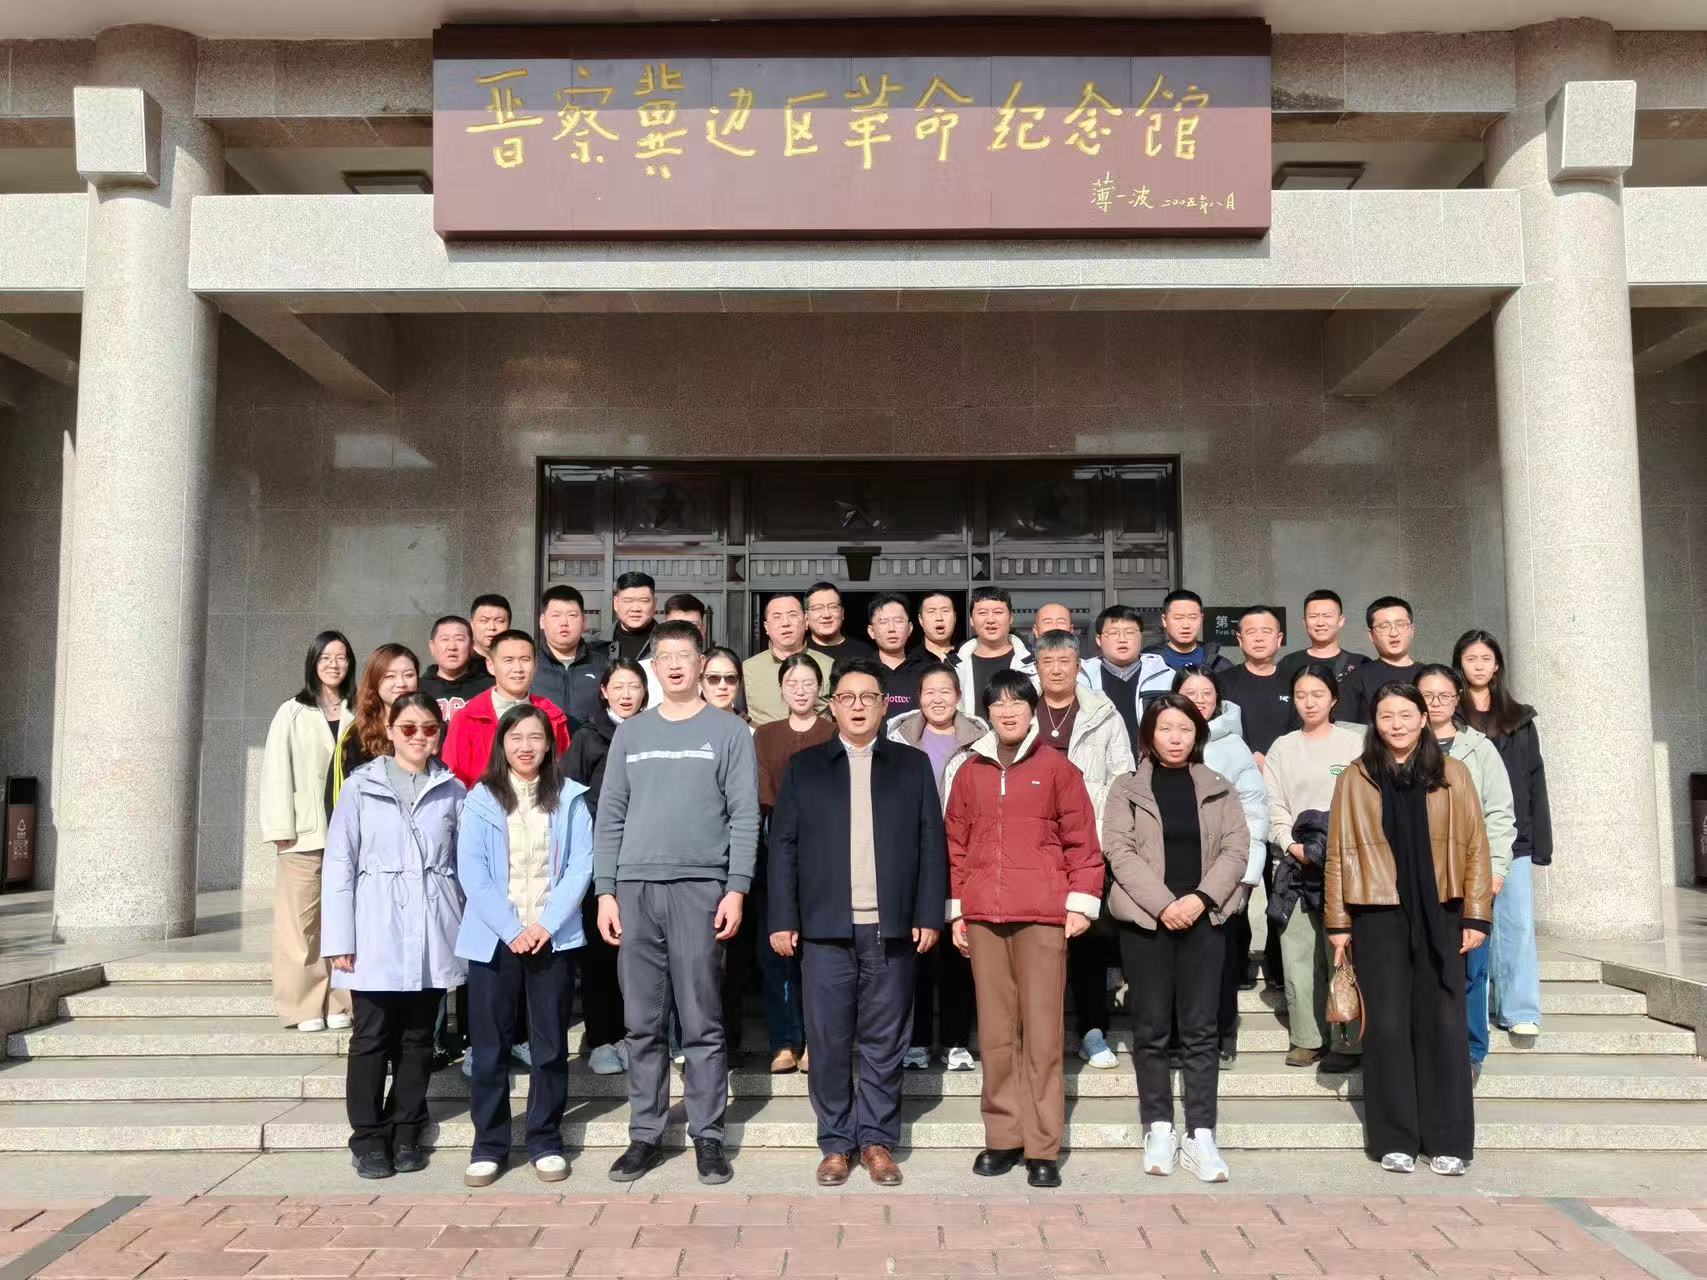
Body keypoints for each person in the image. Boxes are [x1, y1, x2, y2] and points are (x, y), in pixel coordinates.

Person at [593, 619, 760, 1186]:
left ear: (700, 663)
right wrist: (606, 891)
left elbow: (744, 815)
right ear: (654, 666)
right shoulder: (632, 733)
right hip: (635, 889)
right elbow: (610, 816)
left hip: (700, 888)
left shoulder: (729, 731)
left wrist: (736, 887)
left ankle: (707, 1135)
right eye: (663, 656)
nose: (672, 665)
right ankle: (645, 1133)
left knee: (702, 1021)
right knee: (641, 1023)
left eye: (683, 655)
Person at [769, 658, 947, 1188]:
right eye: (846, 697)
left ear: (884, 704)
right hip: (825, 929)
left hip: (891, 929)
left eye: (868, 697)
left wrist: (928, 912)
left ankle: (876, 1141)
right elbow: (783, 848)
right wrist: (783, 917)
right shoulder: (805, 767)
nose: (858, 706)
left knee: (885, 1041)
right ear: (833, 705)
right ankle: (835, 1142)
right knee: (827, 1041)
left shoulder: (911, 765)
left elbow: (931, 844)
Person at [1326, 682, 1492, 1176]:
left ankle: (1447, 1139)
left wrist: (1476, 914)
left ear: (1424, 718)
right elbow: (1338, 852)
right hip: (1377, 912)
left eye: (1405, 714)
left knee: (1443, 1024)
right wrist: (1338, 922)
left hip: (1442, 908)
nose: (1395, 724)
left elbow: (1476, 846)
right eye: (1386, 716)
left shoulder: (1453, 773)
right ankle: (1395, 1138)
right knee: (1389, 1026)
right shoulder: (1356, 777)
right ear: (1374, 723)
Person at [945, 670, 1102, 1189]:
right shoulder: (969, 771)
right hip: (984, 918)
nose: (1008, 711)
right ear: (986, 712)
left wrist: (1081, 903)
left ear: (1033, 709)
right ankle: (1003, 1137)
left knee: (1042, 1034)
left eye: (1017, 702)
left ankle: (1042, 1145)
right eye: (998, 704)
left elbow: (1082, 842)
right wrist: (957, 911)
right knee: (995, 1035)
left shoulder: (1057, 768)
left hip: (1041, 916)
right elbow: (955, 846)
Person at [1102, 693, 1252, 1184]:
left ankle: (1201, 1133)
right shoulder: (1127, 788)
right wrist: (1165, 905)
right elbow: (1118, 851)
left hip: (1204, 920)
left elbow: (1237, 848)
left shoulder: (1218, 786)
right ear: (1149, 734)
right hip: (1148, 922)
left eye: (1185, 729)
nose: (1175, 738)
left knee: (1201, 1029)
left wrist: (1201, 899)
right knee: (1150, 1028)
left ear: (1198, 735)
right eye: (1165, 728)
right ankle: (1159, 1127)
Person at [321, 692, 466, 1180]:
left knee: (419, 1038)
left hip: (432, 923)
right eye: (408, 728)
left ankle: (406, 1131)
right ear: (390, 730)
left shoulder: (453, 789)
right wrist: (339, 938)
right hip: (375, 923)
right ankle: (367, 1137)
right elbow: (339, 863)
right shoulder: (360, 786)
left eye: (428, 728)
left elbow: (464, 865)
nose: (418, 737)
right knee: (371, 1036)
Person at [455, 703, 596, 1187]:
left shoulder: (570, 797)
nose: (526, 746)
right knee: (490, 1048)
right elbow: (472, 871)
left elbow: (580, 866)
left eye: (535, 737)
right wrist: (511, 929)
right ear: (502, 744)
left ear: (549, 743)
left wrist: (546, 925)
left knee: (550, 1045)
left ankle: (544, 1139)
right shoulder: (481, 798)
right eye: (515, 738)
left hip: (551, 939)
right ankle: (488, 1145)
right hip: (495, 940)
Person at [1033, 630, 1135, 1072]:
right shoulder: (1022, 707)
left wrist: (1106, 838)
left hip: (1085, 844)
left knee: (1088, 941)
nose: (1056, 670)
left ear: (1079, 666)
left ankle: (1092, 1030)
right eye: (1048, 662)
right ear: (1037, 668)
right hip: (1032, 846)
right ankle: (1040, 1034)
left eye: (1065, 662)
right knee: (1037, 946)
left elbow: (1122, 778)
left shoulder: (1102, 713)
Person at [1260, 663, 1366, 1072]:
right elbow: (1274, 804)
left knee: (1341, 950)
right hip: (1294, 863)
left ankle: (1347, 1039)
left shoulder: (1353, 744)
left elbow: (1363, 802)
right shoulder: (1283, 747)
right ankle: (1307, 1037)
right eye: (1301, 695)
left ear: (1333, 699)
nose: (1309, 702)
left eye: (1318, 695)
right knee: (1298, 952)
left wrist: (1333, 848)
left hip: (1344, 862)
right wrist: (1291, 844)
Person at [1418, 663, 1516, 1087]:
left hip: (1469, 877)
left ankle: (1471, 1050)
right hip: (1417, 879)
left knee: (1472, 969)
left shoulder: (1480, 749)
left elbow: (1500, 814)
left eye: (1444, 695)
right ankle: (1429, 1046)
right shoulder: (1399, 745)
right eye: (1427, 695)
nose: (1436, 703)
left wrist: (1496, 870)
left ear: (1457, 698)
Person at [888, 662, 984, 1072]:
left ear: (959, 696)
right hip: (913, 853)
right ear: (918, 697)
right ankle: (917, 1040)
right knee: (918, 947)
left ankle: (957, 1040)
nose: (938, 699)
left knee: (960, 946)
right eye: (930, 691)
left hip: (965, 852)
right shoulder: (899, 736)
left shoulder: (979, 739)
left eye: (946, 691)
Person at [260, 630, 357, 1032]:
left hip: (350, 834)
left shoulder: (359, 711)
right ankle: (303, 1005)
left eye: (341, 657)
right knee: (300, 923)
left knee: (345, 918)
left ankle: (341, 1001)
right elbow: (275, 771)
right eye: (325, 658)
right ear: (313, 663)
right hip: (305, 834)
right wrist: (280, 827)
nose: (334, 665)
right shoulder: (292, 712)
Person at [1173, 668, 1269, 1067]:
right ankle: (1180, 1037)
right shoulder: (1160, 738)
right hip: (1175, 870)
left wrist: (1246, 877)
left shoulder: (1233, 747)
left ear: (1218, 699)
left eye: (1206, 692)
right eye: (1190, 691)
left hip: (1223, 871)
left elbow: (1254, 813)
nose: (1199, 699)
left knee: (1223, 960)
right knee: (1178, 961)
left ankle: (1223, 1034)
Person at [1454, 629, 1548, 1038]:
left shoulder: (1519, 718)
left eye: (1485, 659)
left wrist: (1539, 840)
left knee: (1515, 923)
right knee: (1469, 924)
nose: (1478, 666)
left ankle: (1519, 1009)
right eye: (1470, 658)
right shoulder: (1450, 718)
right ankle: (1477, 1009)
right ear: (1459, 665)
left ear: (1496, 666)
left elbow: (1534, 778)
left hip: (1514, 837)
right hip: (1460, 838)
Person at [563, 658, 649, 1076]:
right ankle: (601, 1038)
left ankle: (635, 1036)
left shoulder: (654, 732)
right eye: (618, 686)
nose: (626, 694)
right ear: (604, 692)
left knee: (641, 955)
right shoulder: (587, 737)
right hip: (599, 858)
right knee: (600, 955)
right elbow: (569, 798)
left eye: (634, 686)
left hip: (645, 856)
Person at [751, 653, 830, 1073]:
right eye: (792, 683)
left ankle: (817, 1040)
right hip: (776, 851)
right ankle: (785, 1040)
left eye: (808, 683)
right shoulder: (765, 736)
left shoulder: (833, 732)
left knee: (819, 953)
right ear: (781, 689)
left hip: (825, 855)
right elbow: (764, 793)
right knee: (776, 951)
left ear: (820, 688)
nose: (800, 690)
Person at [441, 631, 571, 789]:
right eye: (508, 660)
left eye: (525, 660)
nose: (518, 669)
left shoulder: (553, 717)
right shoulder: (468, 717)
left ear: (536, 664)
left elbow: (562, 773)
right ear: (491, 665)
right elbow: (454, 780)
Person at [330, 644, 420, 806]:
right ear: (374, 681)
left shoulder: (432, 729)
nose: (401, 683)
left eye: (408, 675)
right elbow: (340, 800)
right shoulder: (356, 734)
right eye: (390, 676)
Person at [1079, 604, 1170, 749]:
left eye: (1130, 632)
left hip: (1151, 759)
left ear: (1141, 636)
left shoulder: (1165, 676)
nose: (1122, 639)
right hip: (1098, 760)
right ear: (1099, 640)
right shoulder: (1081, 678)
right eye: (1113, 633)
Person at [1215, 607, 1293, 763]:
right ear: (1239, 639)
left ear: (1279, 639)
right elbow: (1220, 731)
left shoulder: (1295, 682)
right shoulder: (1221, 682)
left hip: (1287, 767)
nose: (1259, 638)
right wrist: (1250, 758)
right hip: (1236, 768)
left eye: (1266, 631)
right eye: (1251, 632)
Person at [744, 595, 831, 727]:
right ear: (766, 627)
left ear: (806, 621)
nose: (785, 623)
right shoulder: (748, 669)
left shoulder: (829, 665)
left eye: (792, 615)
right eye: (777, 616)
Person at [533, 584, 611, 733]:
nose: (564, 622)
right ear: (542, 621)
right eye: (556, 615)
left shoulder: (604, 666)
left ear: (584, 621)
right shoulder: (529, 666)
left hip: (591, 747)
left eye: (572, 615)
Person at [1339, 597, 1425, 724]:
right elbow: (1343, 726)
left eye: (1401, 624)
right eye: (1384, 626)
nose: (1394, 633)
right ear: (1371, 635)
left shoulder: (1429, 676)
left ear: (1412, 630)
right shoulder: (1356, 678)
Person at [955, 586, 1036, 721]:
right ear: (971, 620)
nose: (990, 619)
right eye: (982, 613)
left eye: (998, 612)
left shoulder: (1033, 664)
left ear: (1010, 618)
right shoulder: (954, 666)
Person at [1278, 590, 1370, 686]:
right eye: (1313, 616)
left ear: (1341, 621)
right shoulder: (1289, 663)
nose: (1320, 623)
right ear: (1304, 622)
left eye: (1327, 616)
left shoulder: (1360, 663)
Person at [867, 593, 932, 720]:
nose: (891, 628)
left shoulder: (927, 671)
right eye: (883, 622)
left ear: (910, 628)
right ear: (871, 631)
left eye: (898, 621)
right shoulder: (861, 671)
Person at [421, 616, 493, 727]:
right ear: (432, 646)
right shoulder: (418, 688)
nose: (452, 647)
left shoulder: (491, 688)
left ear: (471, 646)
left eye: (459, 639)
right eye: (445, 639)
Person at [640, 593, 706, 707]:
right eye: (675, 625)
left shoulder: (716, 671)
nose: (683, 633)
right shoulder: (641, 672)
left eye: (692, 626)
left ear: (703, 629)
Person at [1144, 590, 1232, 674]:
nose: (1186, 625)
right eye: (1178, 618)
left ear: (1201, 619)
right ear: (1164, 620)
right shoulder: (1146, 662)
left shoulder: (1220, 665)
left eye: (1192, 618)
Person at [805, 581, 877, 665]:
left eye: (833, 607)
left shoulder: (863, 653)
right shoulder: (799, 649)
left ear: (842, 613)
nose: (826, 615)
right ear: (806, 617)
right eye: (818, 608)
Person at [609, 571, 658, 662]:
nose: (635, 609)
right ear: (615, 603)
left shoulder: (671, 642)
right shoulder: (594, 645)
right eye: (628, 601)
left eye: (644, 601)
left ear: (655, 604)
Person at [701, 646, 751, 723]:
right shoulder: (684, 727)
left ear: (740, 682)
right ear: (699, 681)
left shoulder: (753, 729)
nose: (722, 686)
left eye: (730, 677)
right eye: (713, 677)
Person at [470, 594, 513, 675]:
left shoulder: (516, 662)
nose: (492, 627)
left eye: (499, 621)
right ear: (472, 624)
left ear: (509, 625)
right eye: (484, 620)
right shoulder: (460, 662)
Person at [917, 590, 961, 666]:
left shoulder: (966, 653)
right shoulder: (910, 661)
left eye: (945, 611)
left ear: (955, 617)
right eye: (931, 611)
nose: (939, 618)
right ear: (921, 620)